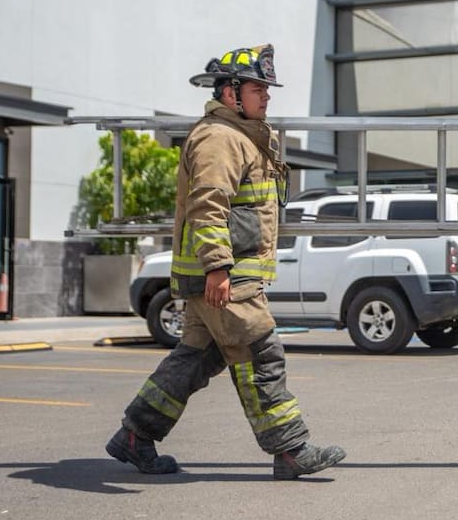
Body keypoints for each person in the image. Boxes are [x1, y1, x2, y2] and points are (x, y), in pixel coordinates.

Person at [106, 44, 346, 480]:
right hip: (223, 278)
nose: (267, 96)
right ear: (232, 93)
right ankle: (290, 451)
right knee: (261, 352)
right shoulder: (220, 138)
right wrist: (218, 266)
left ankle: (135, 436)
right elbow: (208, 204)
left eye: (267, 89)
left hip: (215, 276)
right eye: (259, 88)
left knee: (197, 359)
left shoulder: (242, 136)